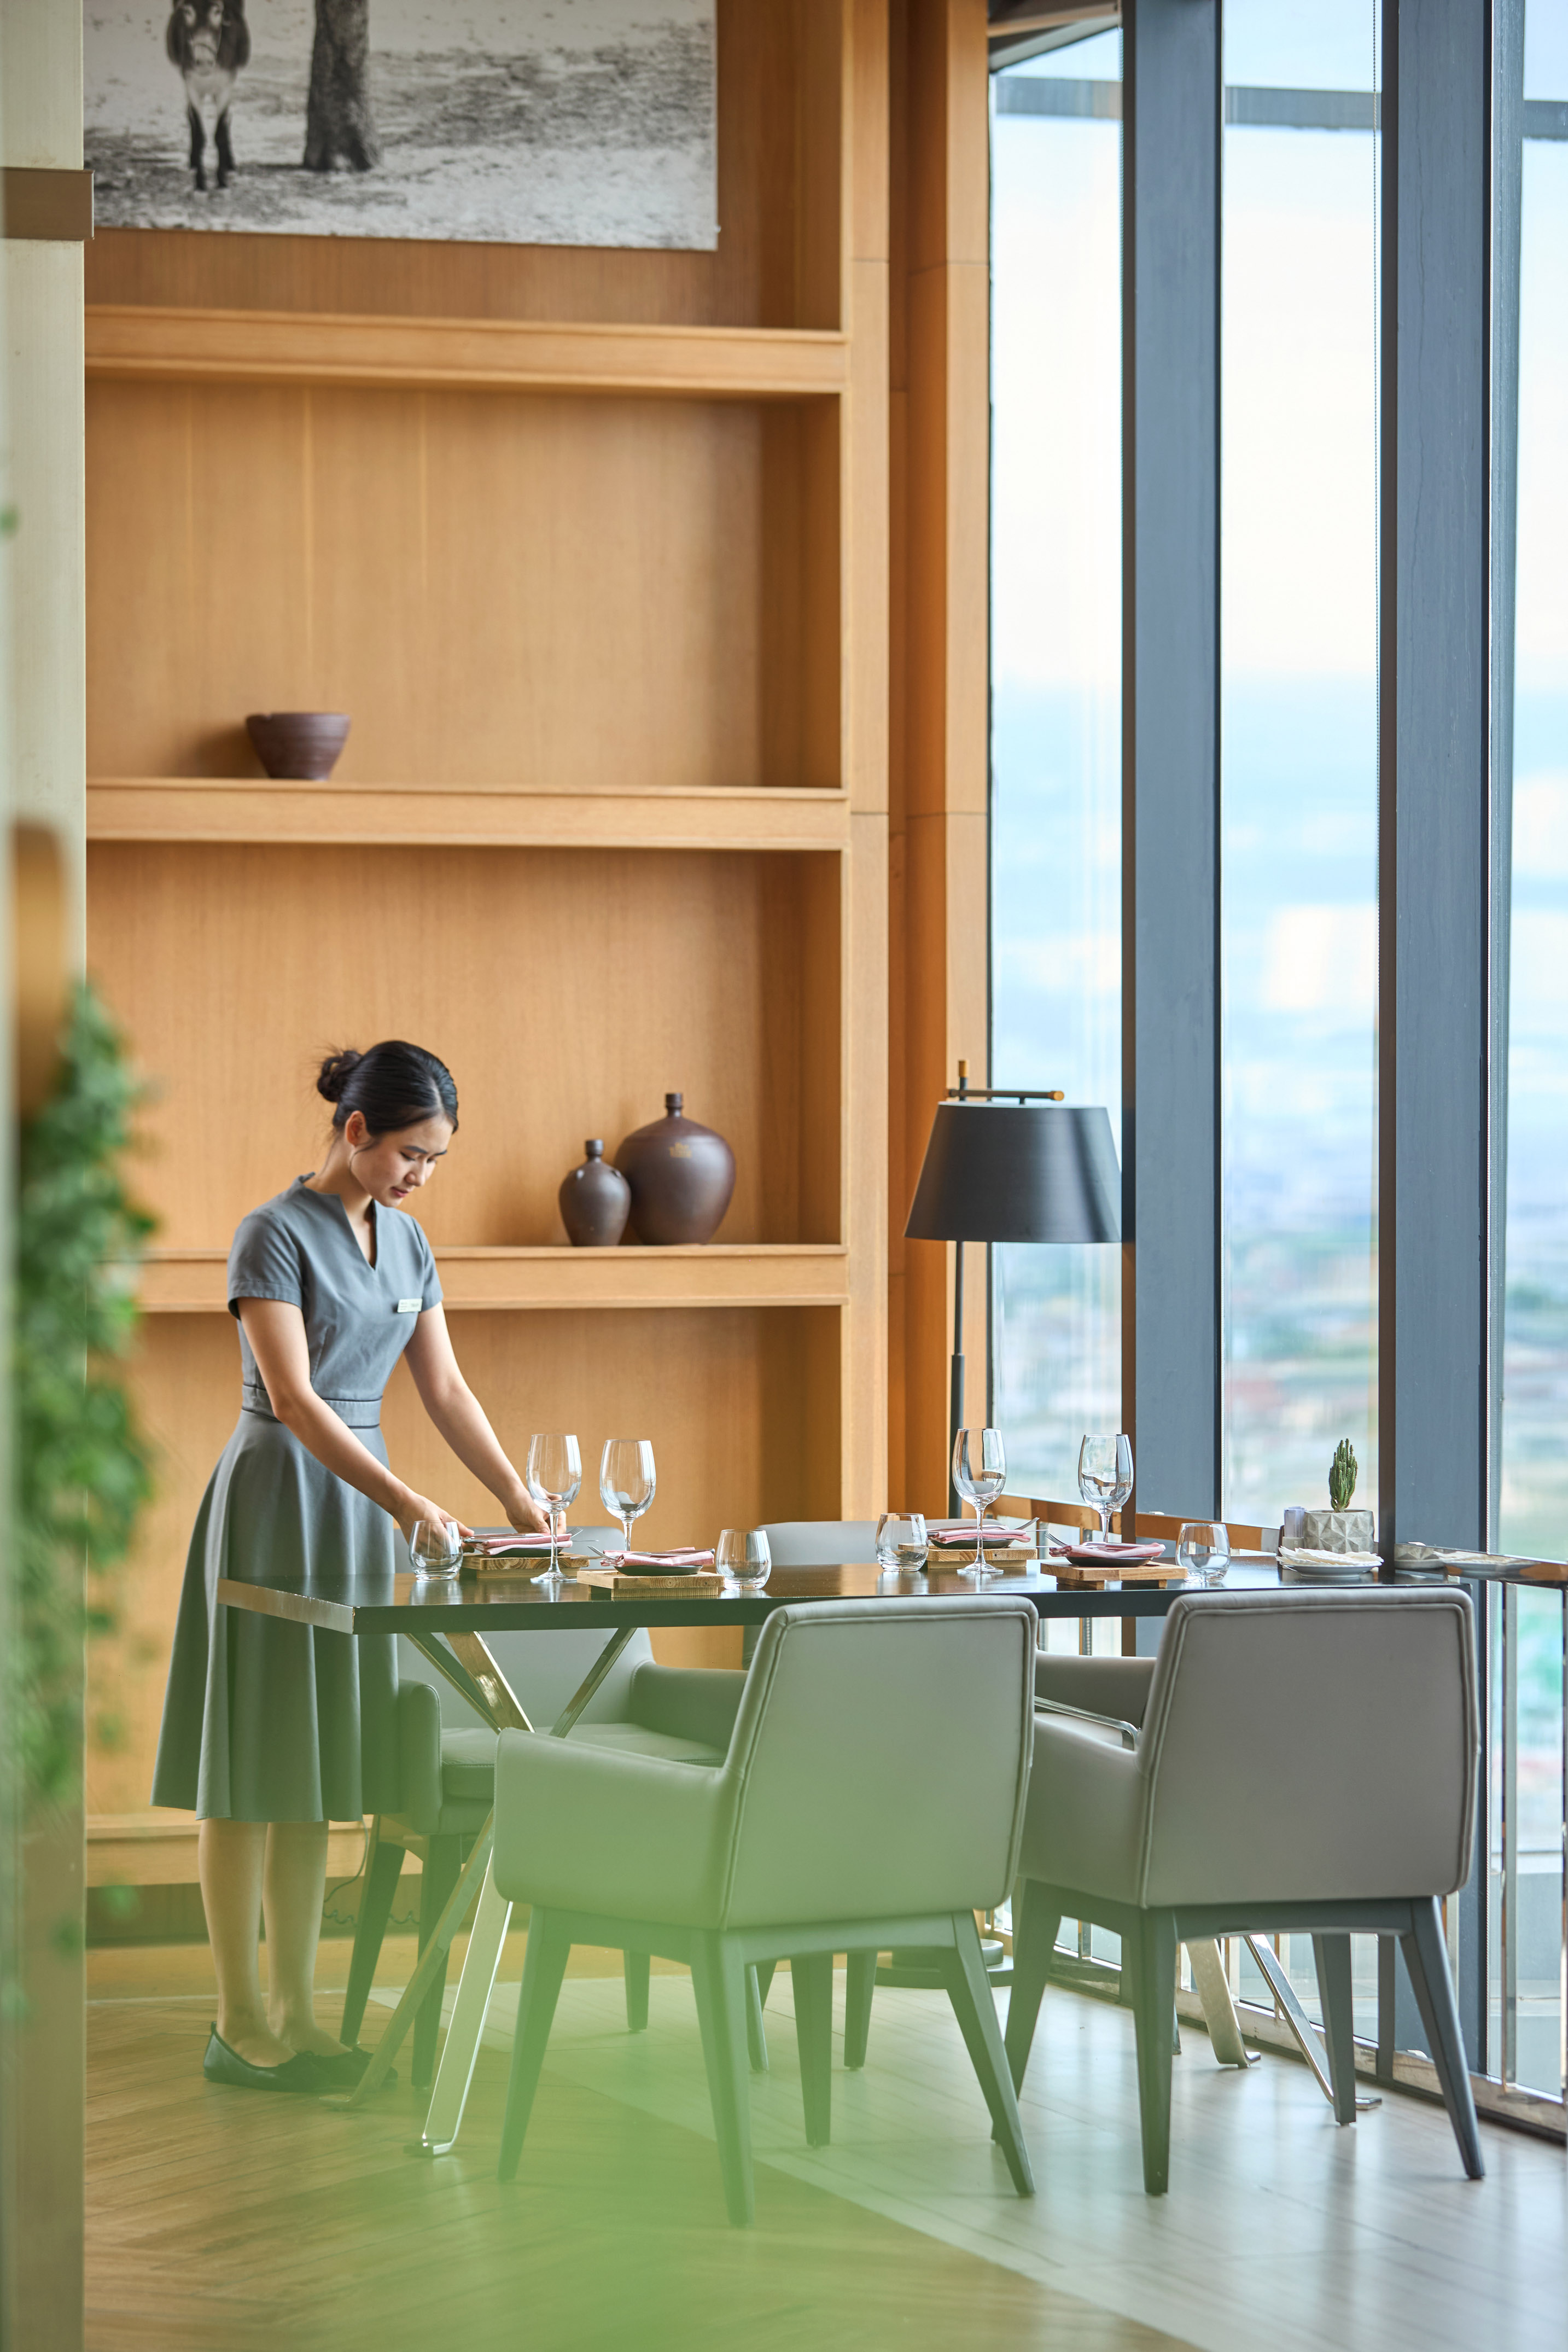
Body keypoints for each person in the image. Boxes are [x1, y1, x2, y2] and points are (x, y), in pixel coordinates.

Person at [151, 1040, 547, 2091]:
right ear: (356, 1129)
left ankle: (302, 2016)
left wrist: (515, 1496)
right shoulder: (269, 1236)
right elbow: (292, 1399)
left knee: (313, 1770)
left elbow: (449, 1393)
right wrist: (411, 1499)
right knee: (247, 1775)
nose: (421, 1176)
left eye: (437, 1161)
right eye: (412, 1153)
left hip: (364, 1508)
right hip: (280, 1501)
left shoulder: (411, 1245)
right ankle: (240, 2023)